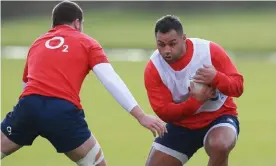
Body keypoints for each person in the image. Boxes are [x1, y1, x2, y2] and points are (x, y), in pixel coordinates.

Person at [0, 1, 167, 165]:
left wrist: (27, 118)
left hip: (28, 106)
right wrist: (140, 115)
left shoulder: (37, 43)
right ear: (77, 23)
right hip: (62, 110)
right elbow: (111, 80)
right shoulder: (87, 43)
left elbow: (25, 86)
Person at [144, 15, 244, 166]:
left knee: (220, 145)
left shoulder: (209, 51)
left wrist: (216, 77)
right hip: (181, 125)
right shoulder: (154, 68)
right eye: (161, 45)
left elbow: (238, 86)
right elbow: (164, 112)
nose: (167, 50)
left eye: (172, 44)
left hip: (219, 117)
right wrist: (196, 101)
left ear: (184, 38)